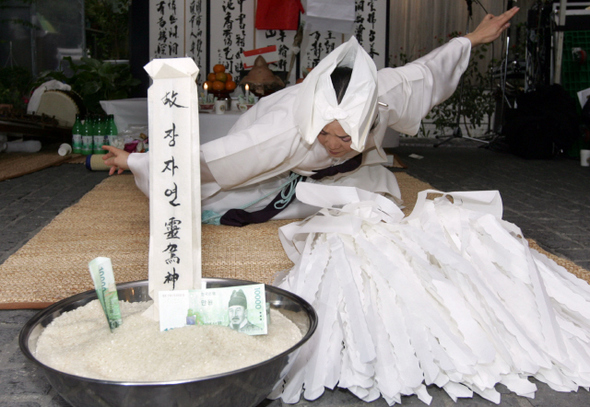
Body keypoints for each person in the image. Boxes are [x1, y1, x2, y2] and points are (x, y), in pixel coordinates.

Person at [102, 8, 520, 227]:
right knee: (218, 199)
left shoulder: (382, 92)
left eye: (347, 136)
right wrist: (138, 160)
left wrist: (471, 38)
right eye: (327, 133)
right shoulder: (282, 131)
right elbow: (213, 158)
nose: (336, 144)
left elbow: (427, 73)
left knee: (378, 196)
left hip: (342, 174)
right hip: (277, 167)